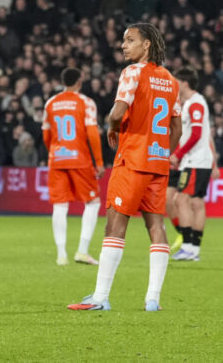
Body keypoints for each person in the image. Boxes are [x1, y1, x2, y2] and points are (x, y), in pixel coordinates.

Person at [69, 24, 181, 313]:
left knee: (115, 226)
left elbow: (118, 111)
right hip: (158, 162)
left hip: (132, 160)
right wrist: (164, 150)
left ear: (146, 46)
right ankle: (152, 299)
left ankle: (101, 296)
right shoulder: (170, 79)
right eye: (123, 40)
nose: (123, 45)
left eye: (130, 40)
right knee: (156, 226)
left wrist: (112, 127)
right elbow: (176, 125)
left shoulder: (133, 72)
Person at [42, 67, 104, 266]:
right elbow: (92, 133)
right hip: (80, 159)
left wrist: (54, 150)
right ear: (79, 82)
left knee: (60, 205)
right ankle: (82, 251)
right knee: (92, 202)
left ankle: (61, 255)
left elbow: (46, 135)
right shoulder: (85, 102)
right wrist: (99, 162)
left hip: (57, 159)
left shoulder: (50, 103)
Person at [169, 67, 217, 262]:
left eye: (177, 81)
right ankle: (193, 249)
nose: (175, 85)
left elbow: (196, 134)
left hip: (196, 160)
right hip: (195, 160)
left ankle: (189, 247)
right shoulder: (192, 103)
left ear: (184, 83)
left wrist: (178, 155)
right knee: (195, 203)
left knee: (180, 200)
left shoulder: (195, 104)